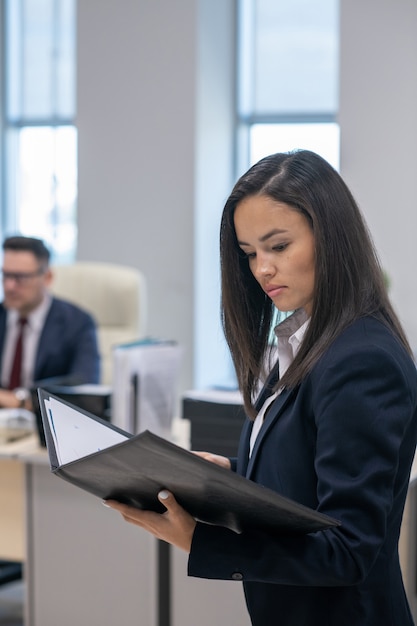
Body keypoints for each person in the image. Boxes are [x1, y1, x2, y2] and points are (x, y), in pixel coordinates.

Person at [105, 150, 417, 625]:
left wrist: (198, 540)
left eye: (278, 246)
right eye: (250, 253)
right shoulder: (304, 337)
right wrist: (227, 475)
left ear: (330, 237)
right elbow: (310, 477)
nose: (261, 269)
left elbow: (349, 549)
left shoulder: (362, 359)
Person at [0, 235, 100, 409]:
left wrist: (22, 401)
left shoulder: (77, 322)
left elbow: (84, 386)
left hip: (43, 425)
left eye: (20, 278)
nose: (9, 286)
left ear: (47, 277)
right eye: (6, 275)